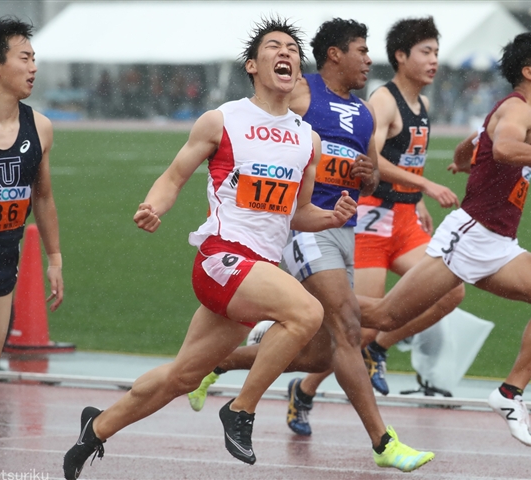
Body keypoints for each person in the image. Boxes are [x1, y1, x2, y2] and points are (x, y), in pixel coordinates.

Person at [61, 18, 358, 479]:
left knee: (183, 377)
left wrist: (331, 217)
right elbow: (175, 175)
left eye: (293, 50)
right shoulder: (222, 120)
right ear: (252, 65)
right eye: (274, 47)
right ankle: (241, 411)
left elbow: (296, 214)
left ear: (300, 69)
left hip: (257, 271)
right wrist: (153, 205)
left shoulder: (308, 139)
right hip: (222, 257)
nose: (286, 54)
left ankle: (95, 429)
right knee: (306, 313)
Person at [185, 18, 434, 473]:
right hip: (303, 229)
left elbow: (374, 171)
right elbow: (264, 112)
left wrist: (368, 175)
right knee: (349, 325)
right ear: (335, 54)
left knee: (323, 351)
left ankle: (219, 362)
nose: (367, 60)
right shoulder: (303, 91)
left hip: (342, 229)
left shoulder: (363, 111)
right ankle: (383, 442)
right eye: (360, 50)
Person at [360, 32, 531, 447]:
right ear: (530, 72)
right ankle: (300, 305)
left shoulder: (514, 111)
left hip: (498, 242)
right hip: (472, 237)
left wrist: (462, 163)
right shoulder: (517, 111)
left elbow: (471, 146)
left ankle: (509, 394)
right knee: (384, 317)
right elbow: (505, 148)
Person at [0, 17, 64, 480]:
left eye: (34, 59)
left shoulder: (40, 128)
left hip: (6, 256)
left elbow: (42, 197)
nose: (33, 68)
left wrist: (54, 259)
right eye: (24, 58)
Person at [351, 16, 465, 396]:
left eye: (436, 52)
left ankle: (380, 349)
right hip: (372, 216)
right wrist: (426, 185)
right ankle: (305, 388)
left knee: (450, 291)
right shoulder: (383, 100)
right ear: (401, 56)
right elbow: (372, 157)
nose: (434, 60)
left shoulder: (424, 102)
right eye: (426, 52)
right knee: (361, 324)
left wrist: (416, 200)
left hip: (405, 217)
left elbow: (409, 158)